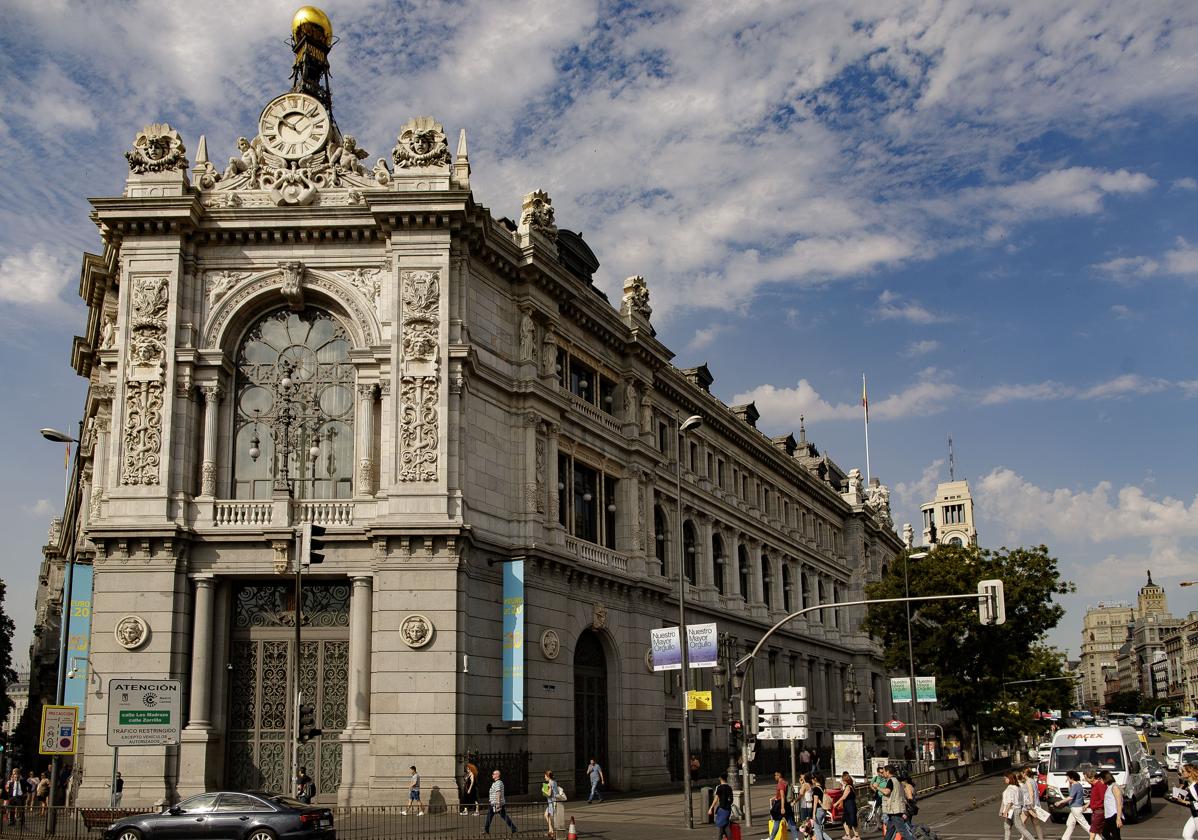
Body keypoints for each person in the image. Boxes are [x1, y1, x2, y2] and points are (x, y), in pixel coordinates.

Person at [878, 765, 915, 840]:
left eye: (884, 771)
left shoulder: (891, 780)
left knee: (903, 831)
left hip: (895, 811)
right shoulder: (898, 780)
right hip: (895, 810)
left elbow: (886, 792)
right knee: (890, 830)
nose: (883, 773)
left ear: (888, 772)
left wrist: (877, 787)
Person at [1166, 763, 1198, 840]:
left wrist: (1183, 801)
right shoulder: (1187, 784)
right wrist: (1178, 791)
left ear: (1189, 773)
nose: (1181, 773)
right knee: (1186, 835)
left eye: (1183, 771)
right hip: (1194, 814)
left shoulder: (1196, 786)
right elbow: (1181, 794)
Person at [1002, 771, 1037, 840]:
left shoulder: (1010, 788)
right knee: (1007, 826)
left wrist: (1005, 811)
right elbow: (1024, 799)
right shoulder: (1018, 787)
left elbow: (1010, 802)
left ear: (1009, 779)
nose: (1005, 780)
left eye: (1006, 778)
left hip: (1013, 810)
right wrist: (1031, 808)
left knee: (1020, 827)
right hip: (1016, 809)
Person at [485, 769, 519, 834]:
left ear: (497, 775)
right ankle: (486, 830)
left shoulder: (498, 783)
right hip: (494, 803)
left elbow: (498, 793)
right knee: (492, 816)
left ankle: (514, 828)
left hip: (496, 804)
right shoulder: (497, 783)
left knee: (502, 816)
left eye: (493, 774)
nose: (492, 775)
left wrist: (498, 803)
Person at [769, 773, 799, 840]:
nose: (774, 776)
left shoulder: (780, 783)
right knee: (791, 822)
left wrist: (782, 808)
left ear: (779, 775)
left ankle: (771, 838)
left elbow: (782, 796)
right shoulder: (786, 782)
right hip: (787, 804)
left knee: (777, 821)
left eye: (775, 775)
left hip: (781, 805)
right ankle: (796, 838)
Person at [1060, 770, 1087, 840]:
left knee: (1085, 825)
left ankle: (1097, 837)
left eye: (1068, 778)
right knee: (1070, 823)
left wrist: (1060, 802)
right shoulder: (1077, 785)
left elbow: (1070, 797)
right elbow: (1070, 791)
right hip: (1074, 808)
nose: (1067, 779)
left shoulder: (1075, 786)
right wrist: (1069, 783)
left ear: (1072, 778)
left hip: (1076, 808)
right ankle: (1065, 838)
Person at [1021, 766, 1045, 840]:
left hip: (1029, 806)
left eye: (1022, 773)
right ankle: (1040, 838)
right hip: (1035, 805)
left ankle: (1025, 837)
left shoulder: (1028, 782)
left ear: (1024, 774)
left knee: (1021, 823)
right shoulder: (1033, 781)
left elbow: (1031, 794)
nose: (1021, 774)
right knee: (1036, 824)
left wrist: (1030, 807)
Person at [708, 773, 736, 840]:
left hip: (722, 809)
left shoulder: (719, 788)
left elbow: (715, 800)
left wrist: (711, 808)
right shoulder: (729, 788)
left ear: (720, 779)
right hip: (728, 809)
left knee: (720, 826)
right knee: (726, 825)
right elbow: (731, 799)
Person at [1083, 767, 1106, 840]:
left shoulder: (1100, 785)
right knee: (1099, 832)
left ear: (1092, 778)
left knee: (1092, 832)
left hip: (1099, 812)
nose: (1085, 780)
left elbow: (1104, 799)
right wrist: (1088, 804)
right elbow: (1094, 798)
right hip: (1095, 811)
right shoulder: (1093, 785)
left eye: (1086, 778)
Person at [1098, 770, 1123, 840]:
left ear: (1105, 778)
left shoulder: (1114, 787)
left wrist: (1118, 818)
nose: (1100, 781)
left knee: (1114, 834)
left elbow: (1119, 803)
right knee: (1106, 833)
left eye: (1101, 779)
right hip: (1109, 815)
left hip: (1114, 815)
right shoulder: (1109, 787)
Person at [840, 772, 860, 840]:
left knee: (853, 821)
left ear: (846, 780)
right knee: (845, 820)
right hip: (847, 805)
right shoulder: (847, 786)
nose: (842, 781)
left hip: (850, 805)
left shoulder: (848, 787)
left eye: (843, 780)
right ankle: (848, 835)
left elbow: (844, 797)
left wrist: (836, 803)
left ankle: (857, 836)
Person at [812, 774, 831, 840]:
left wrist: (813, 813)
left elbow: (815, 802)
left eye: (813, 778)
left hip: (818, 810)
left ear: (815, 779)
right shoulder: (823, 788)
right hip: (824, 809)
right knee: (819, 828)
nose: (812, 780)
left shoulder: (816, 789)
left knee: (817, 829)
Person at [542, 770, 561, 839]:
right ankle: (551, 830)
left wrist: (544, 790)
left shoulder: (550, 783)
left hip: (552, 803)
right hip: (553, 802)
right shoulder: (554, 782)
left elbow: (549, 794)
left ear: (548, 776)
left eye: (545, 776)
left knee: (552, 817)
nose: (544, 778)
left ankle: (553, 832)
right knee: (546, 815)